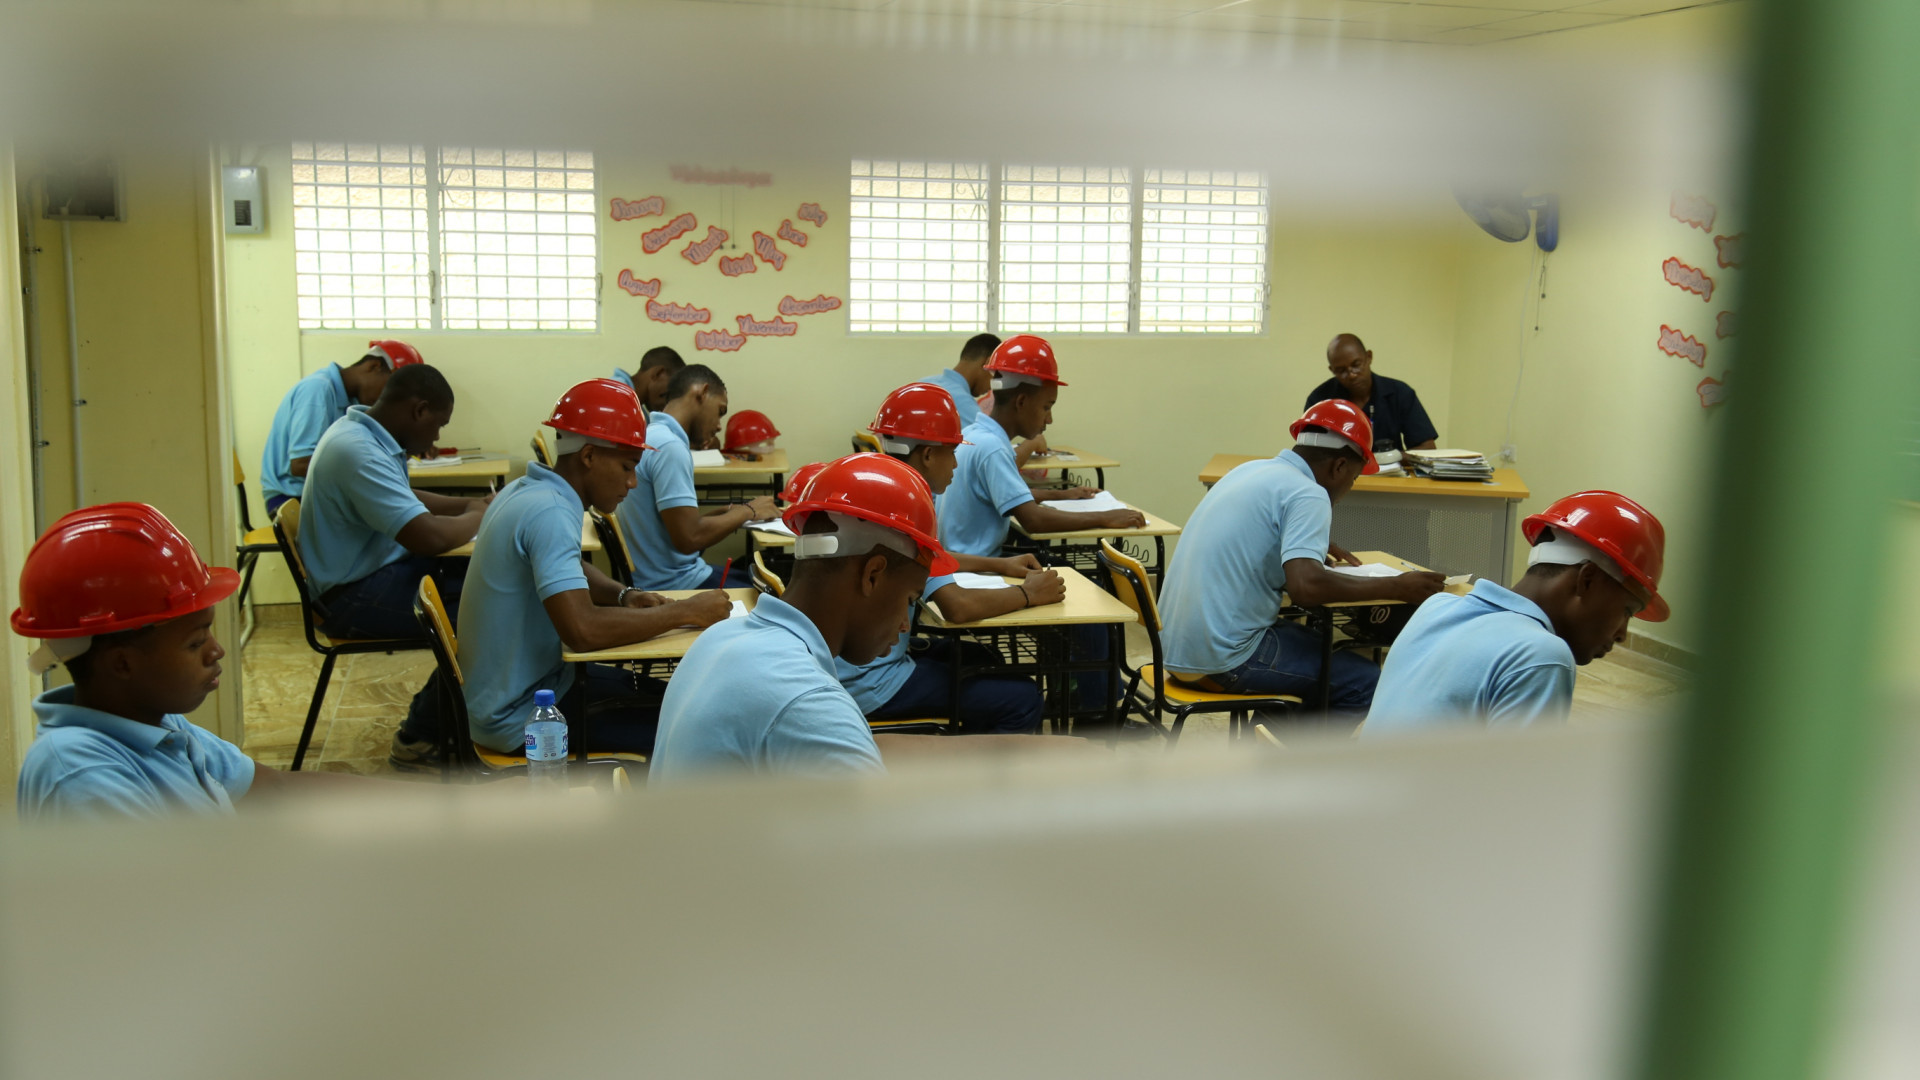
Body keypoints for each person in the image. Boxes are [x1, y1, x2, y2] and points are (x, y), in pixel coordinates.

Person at [13, 503, 375, 820]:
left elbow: (275, 790)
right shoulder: (83, 778)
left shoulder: (152, 722)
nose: (216, 651)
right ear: (122, 664)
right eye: (196, 642)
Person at [456, 379, 732, 757]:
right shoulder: (552, 511)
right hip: (526, 717)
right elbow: (583, 631)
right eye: (626, 467)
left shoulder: (526, 490)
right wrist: (684, 611)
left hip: (530, 689)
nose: (632, 482)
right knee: (692, 730)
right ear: (588, 456)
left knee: (676, 700)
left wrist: (623, 594)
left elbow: (569, 567)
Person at [650, 454, 956, 778]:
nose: (906, 624)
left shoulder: (719, 637)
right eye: (909, 599)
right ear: (872, 575)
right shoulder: (808, 703)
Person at [1158, 401, 1445, 716]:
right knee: (1366, 682)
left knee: (1318, 649)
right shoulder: (1308, 492)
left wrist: (1303, 543)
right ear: (1339, 466)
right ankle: (1287, 749)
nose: (1348, 489)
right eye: (1353, 478)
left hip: (1173, 651)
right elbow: (1306, 588)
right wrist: (1397, 587)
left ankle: (1265, 738)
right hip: (1223, 659)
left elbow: (1256, 538)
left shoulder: (1250, 470)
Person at [837, 383, 1058, 734]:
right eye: (952, 452)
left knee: (981, 657)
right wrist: (1029, 594)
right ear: (927, 455)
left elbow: (929, 559)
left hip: (846, 666)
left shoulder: (884, 489)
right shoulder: (909, 510)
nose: (956, 464)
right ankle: (966, 765)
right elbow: (958, 608)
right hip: (870, 682)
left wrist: (1000, 565)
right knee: (1023, 697)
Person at [938, 335, 1139, 714]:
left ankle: (1077, 692)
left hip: (965, 562)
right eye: (1047, 407)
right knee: (1094, 602)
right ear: (1021, 401)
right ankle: (1094, 712)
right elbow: (1033, 519)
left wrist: (1063, 495)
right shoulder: (994, 447)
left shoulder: (975, 434)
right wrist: (1107, 517)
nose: (1049, 419)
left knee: (1077, 583)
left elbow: (1001, 493)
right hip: (978, 572)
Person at [1364, 491, 1669, 732]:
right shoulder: (1541, 655)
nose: (1622, 634)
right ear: (1586, 580)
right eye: (1627, 611)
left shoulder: (1437, 607)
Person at [297, 363, 484, 641]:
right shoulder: (359, 451)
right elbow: (429, 538)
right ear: (420, 411)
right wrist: (480, 516)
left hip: (372, 573)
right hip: (351, 597)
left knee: (484, 575)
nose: (437, 436)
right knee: (493, 617)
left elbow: (401, 496)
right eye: (439, 425)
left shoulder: (362, 432)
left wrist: (471, 504)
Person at [615, 364, 775, 591]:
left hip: (656, 578)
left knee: (752, 575)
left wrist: (732, 512)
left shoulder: (652, 435)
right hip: (676, 585)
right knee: (774, 591)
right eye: (720, 411)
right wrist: (750, 511)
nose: (719, 426)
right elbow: (689, 538)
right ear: (702, 392)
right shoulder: (670, 447)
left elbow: (676, 527)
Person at [259, 340, 422, 517]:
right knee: (401, 514)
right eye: (390, 387)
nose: (388, 398)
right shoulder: (317, 390)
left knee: (405, 507)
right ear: (374, 366)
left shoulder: (354, 401)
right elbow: (301, 464)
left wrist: (412, 446)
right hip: (292, 500)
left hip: (318, 496)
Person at [1305, 333, 1438, 456]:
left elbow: (1427, 448)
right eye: (1341, 370)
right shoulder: (1319, 400)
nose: (1351, 375)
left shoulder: (1400, 393)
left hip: (1391, 471)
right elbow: (1309, 452)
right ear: (1332, 370)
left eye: (1356, 365)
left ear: (1369, 357)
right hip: (1338, 472)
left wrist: (1385, 458)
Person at [923, 332, 998, 429]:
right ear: (987, 363)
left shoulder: (922, 383)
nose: (991, 386)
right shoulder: (963, 404)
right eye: (996, 374)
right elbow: (989, 438)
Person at [613, 345, 684, 414]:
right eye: (673, 392)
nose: (670, 402)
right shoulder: (616, 394)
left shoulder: (637, 408)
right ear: (659, 373)